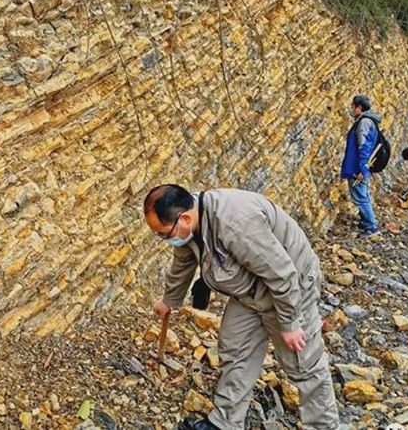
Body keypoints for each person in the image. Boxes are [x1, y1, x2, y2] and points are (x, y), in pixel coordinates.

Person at [143, 185, 340, 430]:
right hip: (249, 291)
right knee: (235, 349)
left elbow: (282, 274)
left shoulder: (236, 223)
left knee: (302, 362)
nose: (164, 239)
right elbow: (183, 259)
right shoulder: (191, 222)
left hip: (290, 288)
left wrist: (290, 323)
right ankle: (226, 423)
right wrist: (170, 301)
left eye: (163, 234)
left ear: (184, 217)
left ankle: (323, 426)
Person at [340, 95, 382, 237]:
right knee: (362, 194)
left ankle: (371, 226)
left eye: (353, 106)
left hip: (358, 167)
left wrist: (362, 169)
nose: (351, 109)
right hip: (359, 165)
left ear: (359, 108)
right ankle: (365, 221)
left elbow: (364, 147)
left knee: (360, 196)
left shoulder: (364, 122)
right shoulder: (369, 121)